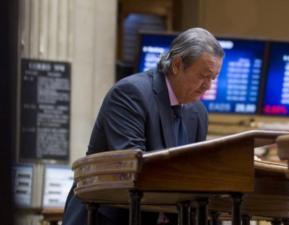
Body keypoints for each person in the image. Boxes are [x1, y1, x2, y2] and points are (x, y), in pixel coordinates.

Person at [62, 27, 224, 225]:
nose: (208, 86)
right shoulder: (130, 93)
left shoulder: (198, 113)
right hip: (108, 216)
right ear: (177, 64)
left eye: (213, 78)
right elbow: (134, 168)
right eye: (203, 75)